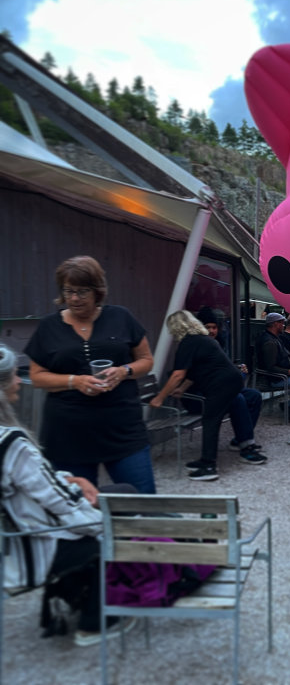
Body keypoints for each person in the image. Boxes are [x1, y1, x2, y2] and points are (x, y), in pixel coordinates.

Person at [0, 343, 136, 646]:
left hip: (17, 535)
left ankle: (78, 592)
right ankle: (95, 621)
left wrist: (72, 479)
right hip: (37, 542)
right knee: (116, 519)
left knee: (123, 493)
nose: (18, 381)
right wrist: (103, 525)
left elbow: (36, 484)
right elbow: (57, 502)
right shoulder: (12, 442)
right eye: (12, 377)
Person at [24, 255, 156, 493]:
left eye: (82, 291)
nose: (74, 298)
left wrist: (124, 371)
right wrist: (74, 381)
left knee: (143, 504)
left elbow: (146, 361)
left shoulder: (121, 317)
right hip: (68, 437)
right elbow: (37, 376)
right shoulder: (49, 326)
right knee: (79, 512)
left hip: (123, 431)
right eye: (68, 291)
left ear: (97, 291)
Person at [150, 310, 244, 481]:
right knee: (211, 419)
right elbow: (193, 373)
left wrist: (159, 398)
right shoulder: (201, 340)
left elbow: (178, 374)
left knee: (210, 421)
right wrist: (181, 390)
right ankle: (204, 460)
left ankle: (209, 466)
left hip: (223, 384)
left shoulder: (189, 342)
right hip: (230, 381)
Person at [178, 307, 266, 464]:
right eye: (207, 327)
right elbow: (191, 376)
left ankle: (240, 439)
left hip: (218, 391)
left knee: (254, 396)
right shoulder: (194, 345)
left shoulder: (217, 344)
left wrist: (236, 369)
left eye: (214, 327)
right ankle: (246, 446)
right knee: (237, 398)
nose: (212, 331)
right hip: (198, 396)